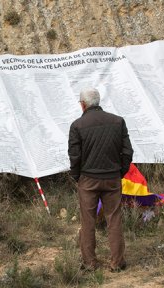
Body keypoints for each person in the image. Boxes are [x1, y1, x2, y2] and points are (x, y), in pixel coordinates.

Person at [68, 87, 133, 272]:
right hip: (112, 177)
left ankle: (89, 263)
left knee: (87, 221)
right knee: (114, 219)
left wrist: (76, 176)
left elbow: (74, 156)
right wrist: (120, 171)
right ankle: (117, 262)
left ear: (83, 105)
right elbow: (127, 151)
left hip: (88, 179)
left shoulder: (77, 126)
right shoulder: (118, 121)